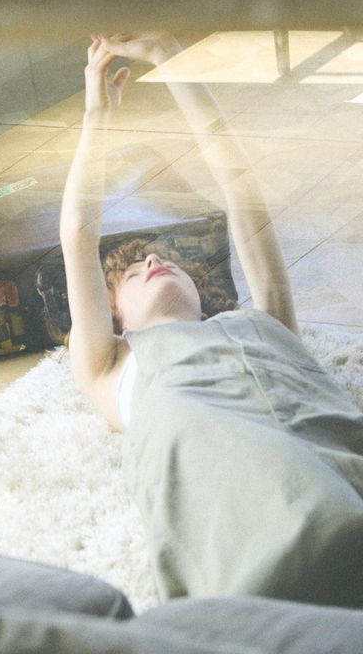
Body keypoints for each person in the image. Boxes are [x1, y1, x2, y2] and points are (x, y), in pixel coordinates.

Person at [60, 32, 363, 609]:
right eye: (134, 274)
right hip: (254, 519)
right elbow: (78, 234)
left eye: (166, 261)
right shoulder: (111, 366)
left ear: (204, 295)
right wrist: (97, 115)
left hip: (335, 456)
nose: (153, 262)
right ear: (116, 320)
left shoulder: (265, 318)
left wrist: (172, 59)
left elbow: (239, 185)